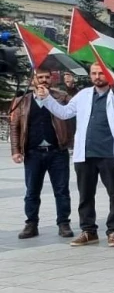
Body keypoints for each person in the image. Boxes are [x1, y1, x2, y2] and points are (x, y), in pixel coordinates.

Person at [37, 62, 114, 247]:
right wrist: (47, 98)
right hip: (85, 154)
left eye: (101, 73)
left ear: (108, 75)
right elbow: (64, 113)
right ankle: (89, 231)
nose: (97, 76)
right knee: (85, 194)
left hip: (108, 153)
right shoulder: (83, 95)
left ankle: (113, 231)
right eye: (94, 73)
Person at [10, 66, 74, 239]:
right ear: (33, 80)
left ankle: (63, 223)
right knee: (32, 191)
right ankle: (31, 224)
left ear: (51, 79)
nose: (44, 80)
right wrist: (16, 150)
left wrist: (70, 87)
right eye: (40, 77)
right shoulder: (22, 101)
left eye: (47, 77)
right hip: (33, 153)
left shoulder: (61, 98)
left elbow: (75, 106)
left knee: (61, 190)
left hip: (57, 152)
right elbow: (15, 126)